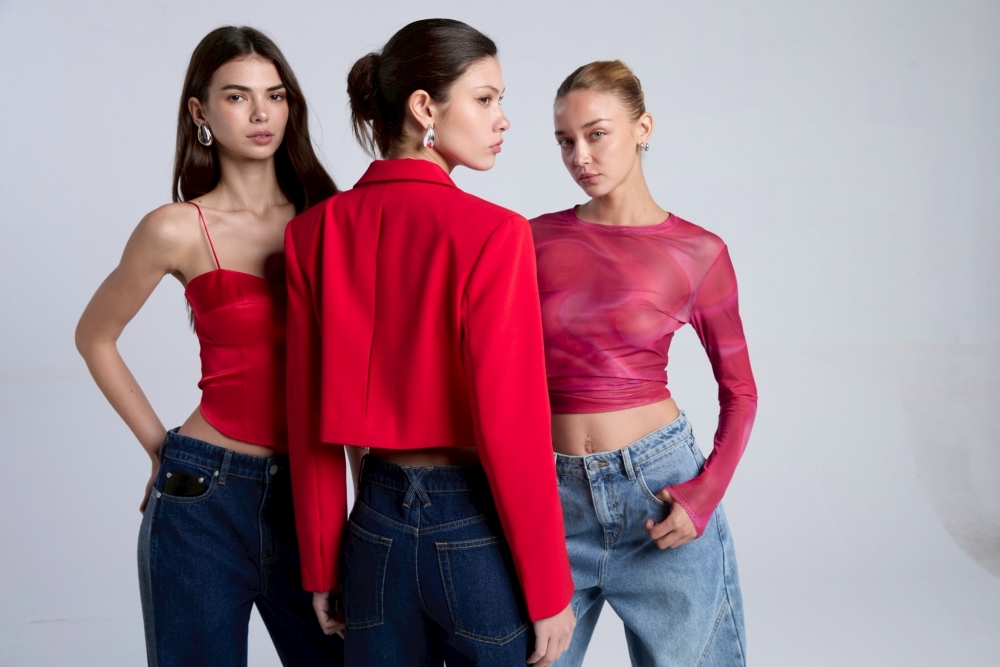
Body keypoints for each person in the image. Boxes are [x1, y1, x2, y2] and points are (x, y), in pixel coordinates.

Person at [284, 18, 576, 667]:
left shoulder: (312, 234)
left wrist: (321, 566)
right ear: (425, 107)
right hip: (471, 525)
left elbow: (308, 424)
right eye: (485, 98)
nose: (502, 118)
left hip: (372, 531)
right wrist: (549, 587)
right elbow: (513, 424)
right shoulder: (495, 233)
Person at [74, 26, 343, 667]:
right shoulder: (176, 228)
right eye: (237, 96)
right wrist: (159, 446)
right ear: (200, 111)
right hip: (202, 498)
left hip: (311, 496)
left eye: (275, 95)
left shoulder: (332, 216)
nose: (260, 113)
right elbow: (94, 336)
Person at [530, 61, 757, 666]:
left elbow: (740, 391)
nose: (580, 156)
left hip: (657, 495)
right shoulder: (529, 241)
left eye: (597, 134)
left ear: (643, 128)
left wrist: (704, 495)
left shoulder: (698, 252)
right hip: (549, 501)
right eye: (565, 141)